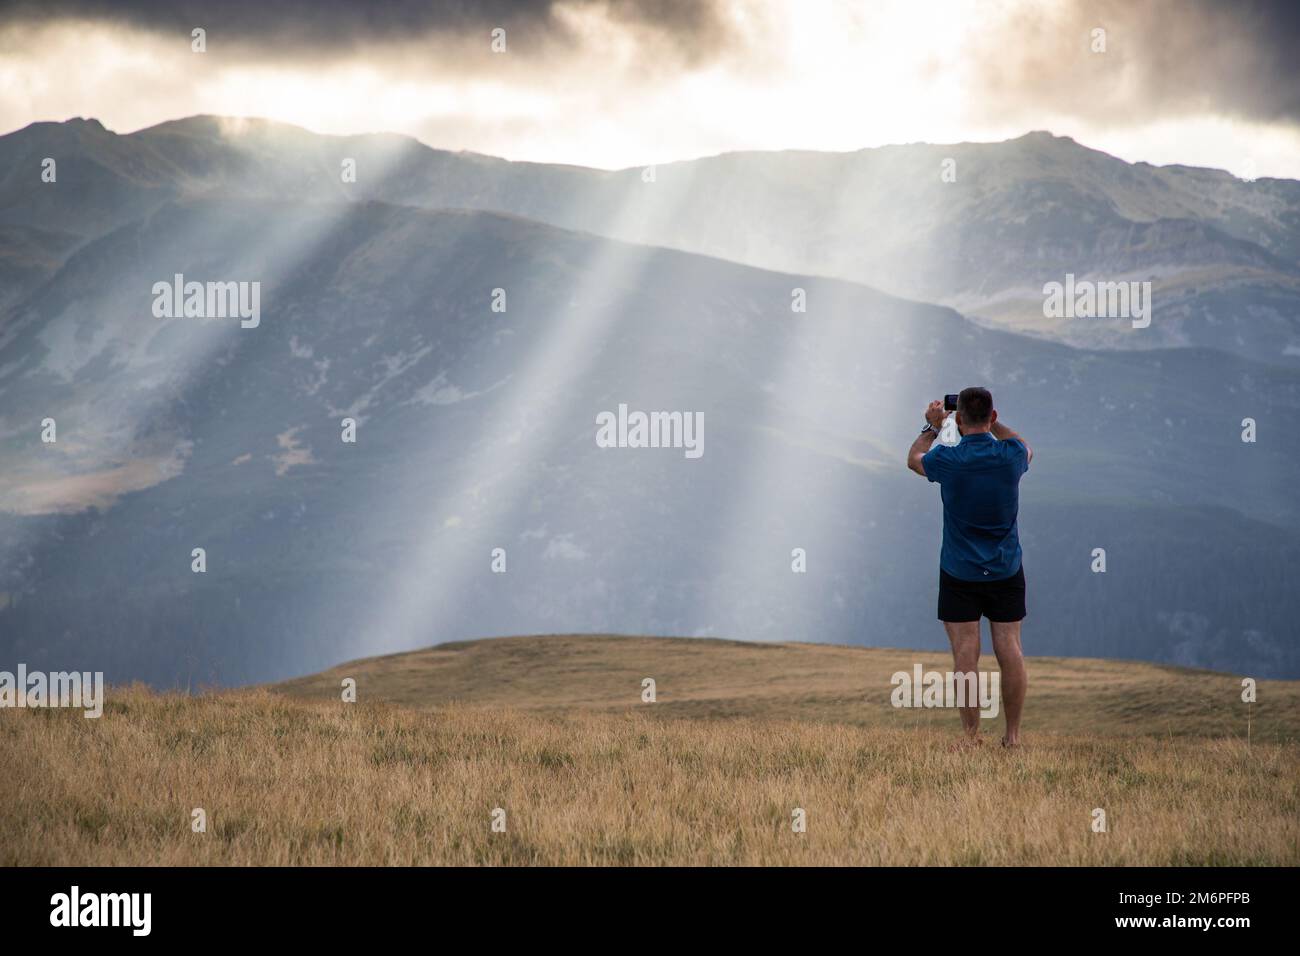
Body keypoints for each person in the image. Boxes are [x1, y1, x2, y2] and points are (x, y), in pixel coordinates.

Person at [906, 387, 1031, 747]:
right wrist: (993, 422)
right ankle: (1012, 737)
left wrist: (933, 427)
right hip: (1006, 567)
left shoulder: (949, 459)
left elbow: (915, 459)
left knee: (965, 652)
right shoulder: (1011, 455)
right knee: (1010, 647)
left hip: (959, 570)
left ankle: (972, 737)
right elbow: (1025, 444)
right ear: (992, 417)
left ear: (958, 419)